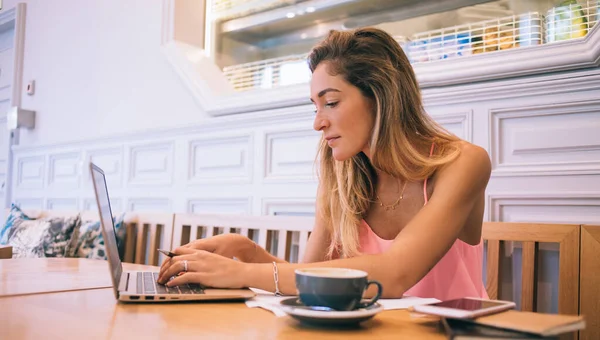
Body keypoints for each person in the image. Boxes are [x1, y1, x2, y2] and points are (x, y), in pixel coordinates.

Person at [157, 27, 491, 301]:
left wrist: (242, 274)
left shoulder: (462, 163)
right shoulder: (342, 178)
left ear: (381, 96)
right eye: (315, 107)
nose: (318, 123)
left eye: (330, 102)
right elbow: (310, 274)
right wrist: (245, 250)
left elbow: (395, 274)